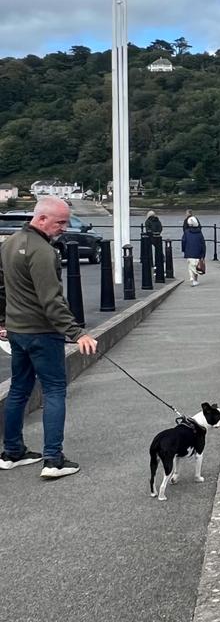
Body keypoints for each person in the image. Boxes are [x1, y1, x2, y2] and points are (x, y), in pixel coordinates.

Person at [0, 197, 98, 479]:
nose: (63, 228)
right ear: (41, 219)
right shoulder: (43, 252)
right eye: (60, 222)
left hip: (17, 332)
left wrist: (2, 321)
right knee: (54, 391)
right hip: (43, 334)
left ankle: (12, 452)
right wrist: (77, 333)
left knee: (19, 389)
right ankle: (53, 460)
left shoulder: (9, 243)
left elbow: (0, 286)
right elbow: (52, 301)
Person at [181, 216, 206, 287]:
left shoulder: (186, 232)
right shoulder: (199, 233)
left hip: (189, 250)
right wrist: (203, 254)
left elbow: (183, 241)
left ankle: (192, 277)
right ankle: (195, 279)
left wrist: (183, 249)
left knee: (190, 265)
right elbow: (202, 243)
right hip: (198, 251)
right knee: (196, 265)